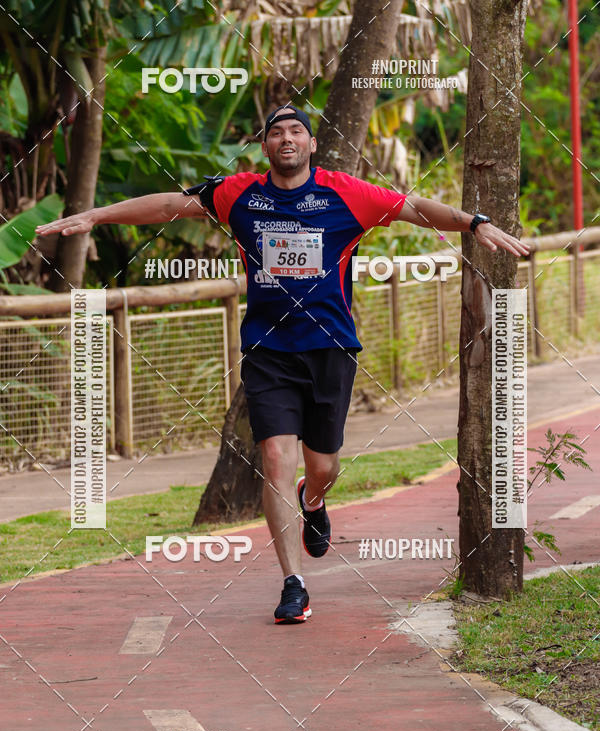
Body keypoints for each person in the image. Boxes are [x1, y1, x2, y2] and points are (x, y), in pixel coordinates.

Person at [36, 104, 530, 625]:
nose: (287, 138)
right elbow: (165, 206)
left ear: (311, 145)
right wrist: (96, 214)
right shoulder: (240, 194)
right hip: (268, 352)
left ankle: (313, 501)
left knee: (323, 467)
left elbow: (414, 208)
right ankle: (293, 583)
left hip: (331, 349)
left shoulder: (348, 194)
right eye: (276, 133)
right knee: (275, 456)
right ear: (265, 147)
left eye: (297, 131)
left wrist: (474, 222)